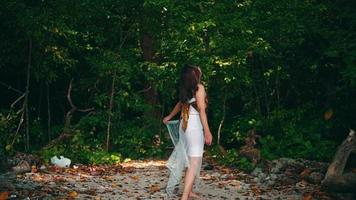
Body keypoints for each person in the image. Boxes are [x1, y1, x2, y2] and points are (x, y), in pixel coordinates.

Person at [163, 64, 213, 200]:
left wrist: (169, 116)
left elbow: (180, 104)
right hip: (194, 127)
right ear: (194, 75)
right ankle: (185, 197)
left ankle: (188, 191)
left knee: (190, 160)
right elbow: (202, 110)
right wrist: (207, 132)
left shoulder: (186, 89)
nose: (200, 71)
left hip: (184, 127)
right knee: (194, 162)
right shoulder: (199, 88)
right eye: (198, 70)